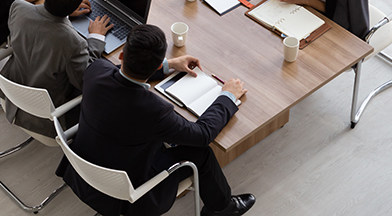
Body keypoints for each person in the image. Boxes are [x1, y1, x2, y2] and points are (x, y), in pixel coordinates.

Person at [60, 25, 255, 216]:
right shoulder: (155, 110)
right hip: (131, 196)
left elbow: (119, 72)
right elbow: (203, 134)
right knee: (201, 153)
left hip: (81, 173)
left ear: (121, 55)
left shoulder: (96, 71)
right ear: (156, 64)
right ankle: (222, 208)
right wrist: (228, 96)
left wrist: (169, 65)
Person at [0, 0, 111, 138]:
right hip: (45, 115)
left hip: (11, 90)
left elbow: (39, 30)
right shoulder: (73, 43)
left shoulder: (18, 7)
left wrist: (62, 11)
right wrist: (95, 38)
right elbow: (85, 80)